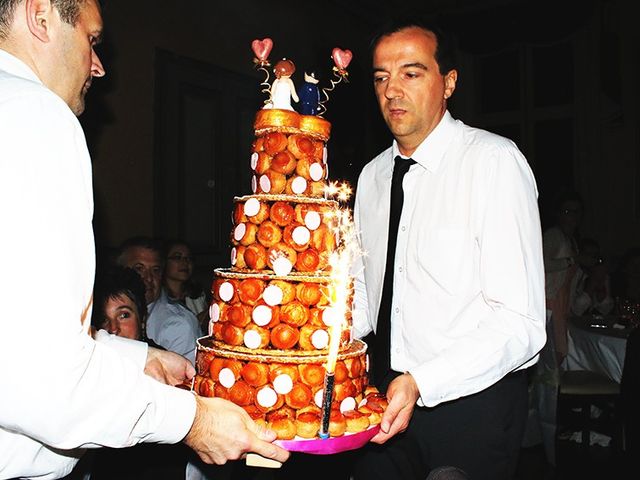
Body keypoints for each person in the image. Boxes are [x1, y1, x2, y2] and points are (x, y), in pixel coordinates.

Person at [0, 1, 289, 478]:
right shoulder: (36, 114)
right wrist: (193, 421)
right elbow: (43, 379)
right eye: (92, 41)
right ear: (41, 16)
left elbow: (19, 336)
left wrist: (140, 358)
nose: (99, 65)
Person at [350, 17, 546, 480]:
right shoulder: (371, 177)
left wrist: (423, 382)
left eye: (411, 73)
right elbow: (364, 293)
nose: (392, 90)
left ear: (449, 82)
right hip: (383, 396)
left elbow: (520, 322)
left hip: (471, 405)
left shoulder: (493, 162)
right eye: (381, 77)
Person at [117, 236, 202, 365]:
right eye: (139, 269)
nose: (149, 278)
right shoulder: (101, 312)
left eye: (155, 270)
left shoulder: (177, 325)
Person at [542, 190, 585, 363]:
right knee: (553, 354)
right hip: (551, 300)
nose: (572, 216)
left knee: (559, 352)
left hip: (563, 302)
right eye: (568, 211)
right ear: (559, 214)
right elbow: (542, 263)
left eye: (576, 211)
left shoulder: (572, 240)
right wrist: (572, 260)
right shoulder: (553, 235)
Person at [163, 238, 209, 332]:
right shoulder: (158, 298)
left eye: (189, 258)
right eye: (177, 257)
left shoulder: (197, 295)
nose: (185, 262)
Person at [569, 238, 614, 317]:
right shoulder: (572, 274)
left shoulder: (602, 273)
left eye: (595, 255)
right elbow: (575, 311)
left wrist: (600, 285)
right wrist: (592, 283)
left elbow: (606, 309)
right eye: (588, 254)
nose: (592, 258)